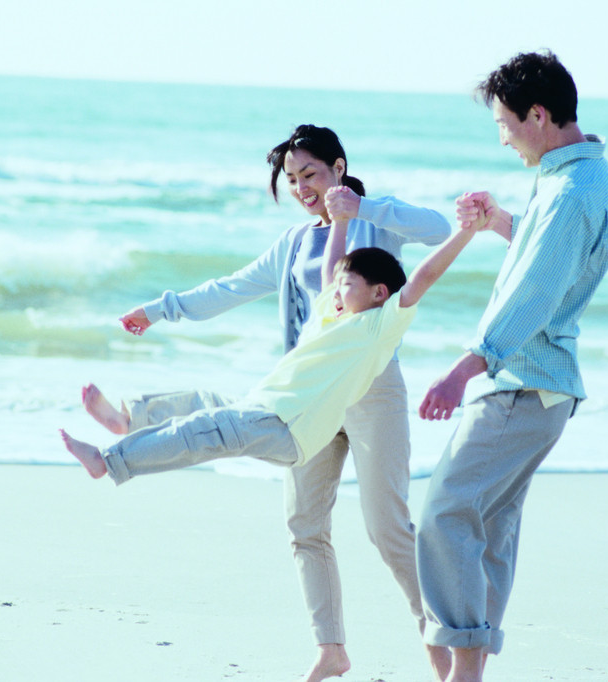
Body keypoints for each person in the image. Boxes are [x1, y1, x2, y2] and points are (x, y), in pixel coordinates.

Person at [113, 124, 451, 681]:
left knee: (387, 529)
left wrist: (362, 207)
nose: (301, 188)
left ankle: (439, 639)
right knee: (305, 525)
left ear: (338, 168)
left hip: (371, 391)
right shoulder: (294, 243)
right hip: (306, 398)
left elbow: (438, 229)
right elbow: (230, 288)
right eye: (291, 180)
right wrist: (159, 309)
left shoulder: (374, 223)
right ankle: (331, 650)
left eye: (309, 174)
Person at [62, 214, 481, 533]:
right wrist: (339, 222)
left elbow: (424, 276)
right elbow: (331, 266)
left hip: (289, 427)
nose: (336, 291)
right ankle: (128, 419)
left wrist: (466, 232)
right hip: (264, 408)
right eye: (336, 285)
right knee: (201, 403)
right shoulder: (329, 312)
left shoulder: (377, 325)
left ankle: (109, 462)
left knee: (202, 429)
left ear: (379, 293)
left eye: (347, 285)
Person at [414, 51, 608, 682]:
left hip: (521, 386)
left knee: (445, 514)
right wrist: (503, 221)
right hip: (542, 389)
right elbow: (549, 255)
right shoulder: (580, 178)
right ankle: (470, 670)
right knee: (489, 525)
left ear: (537, 115)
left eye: (504, 124)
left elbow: (534, 293)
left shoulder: (571, 192)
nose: (502, 139)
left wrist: (464, 368)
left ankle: (462, 665)